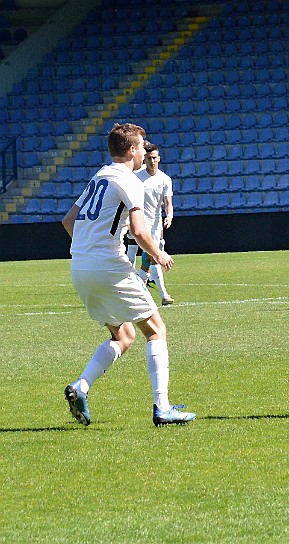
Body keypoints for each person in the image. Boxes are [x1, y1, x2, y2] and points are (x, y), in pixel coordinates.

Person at [61, 123, 195, 427]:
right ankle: (162, 407)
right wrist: (157, 254)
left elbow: (69, 221)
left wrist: (90, 247)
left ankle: (80, 387)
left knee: (123, 334)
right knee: (156, 329)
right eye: (142, 144)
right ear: (132, 150)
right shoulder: (130, 180)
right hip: (108, 266)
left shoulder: (100, 177)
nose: (145, 149)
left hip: (80, 267)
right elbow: (138, 229)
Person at [125, 141, 175, 304]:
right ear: (144, 159)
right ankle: (162, 294)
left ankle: (139, 286)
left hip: (155, 225)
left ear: (159, 159)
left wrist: (169, 215)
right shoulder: (137, 177)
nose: (151, 161)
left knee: (153, 258)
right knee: (137, 253)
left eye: (154, 158)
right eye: (148, 158)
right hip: (138, 222)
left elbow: (168, 202)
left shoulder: (165, 179)